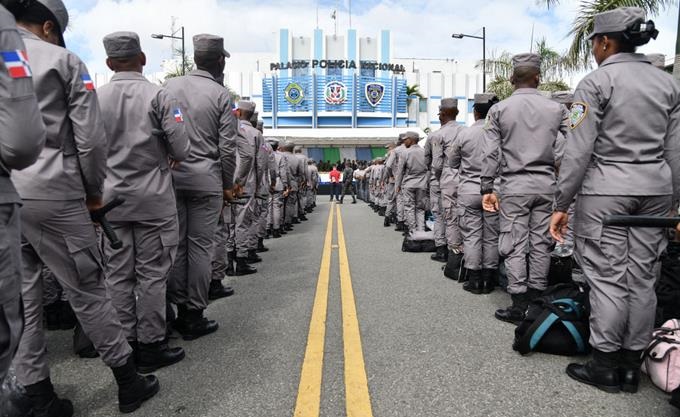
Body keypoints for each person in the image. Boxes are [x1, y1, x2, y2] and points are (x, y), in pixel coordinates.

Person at [12, 1, 159, 414]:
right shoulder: (62, 60)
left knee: (22, 299)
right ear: (47, 26)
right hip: (52, 192)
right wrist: (93, 193)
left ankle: (37, 394)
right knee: (88, 290)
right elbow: (90, 141)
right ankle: (128, 382)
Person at [550, 7, 680, 394]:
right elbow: (676, 151)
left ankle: (604, 364)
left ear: (605, 41)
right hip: (657, 190)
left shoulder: (592, 83)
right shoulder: (669, 85)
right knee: (643, 278)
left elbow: (577, 149)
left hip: (606, 192)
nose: (592, 49)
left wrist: (561, 202)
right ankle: (631, 364)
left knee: (607, 278)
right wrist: (674, 203)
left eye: (593, 42)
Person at [97, 31, 191, 373]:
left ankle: (127, 346)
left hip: (110, 201)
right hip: (153, 198)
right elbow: (182, 148)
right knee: (152, 274)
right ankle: (152, 344)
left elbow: (85, 148)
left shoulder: (95, 98)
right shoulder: (161, 96)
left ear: (109, 63)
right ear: (143, 58)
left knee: (118, 274)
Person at [481, 52, 569, 324]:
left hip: (514, 186)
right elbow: (570, 149)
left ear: (511, 79)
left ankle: (519, 306)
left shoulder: (498, 110)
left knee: (515, 244)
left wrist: (487, 186)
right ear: (538, 78)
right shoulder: (558, 109)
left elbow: (490, 152)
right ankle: (538, 301)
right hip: (547, 186)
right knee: (542, 243)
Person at [164, 34, 238, 341]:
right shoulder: (221, 95)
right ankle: (192, 314)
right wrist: (227, 185)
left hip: (170, 178)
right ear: (220, 61)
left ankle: (173, 307)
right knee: (200, 248)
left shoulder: (168, 88)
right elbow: (228, 148)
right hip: (206, 179)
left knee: (175, 246)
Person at [0, 0, 46, 389]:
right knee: (85, 284)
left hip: (25, 196)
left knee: (29, 294)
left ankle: (34, 383)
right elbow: (21, 142)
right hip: (53, 192)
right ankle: (127, 371)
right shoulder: (8, 36)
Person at [448, 93, 500, 293]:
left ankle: (475, 279)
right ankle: (489, 279)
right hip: (494, 190)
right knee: (491, 236)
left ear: (475, 112)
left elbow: (452, 163)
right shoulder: (500, 133)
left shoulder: (464, 134)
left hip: (469, 190)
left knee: (472, 235)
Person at [233, 100, 261, 273]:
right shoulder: (256, 134)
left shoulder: (225, 126)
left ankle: (226, 263)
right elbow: (261, 163)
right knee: (243, 222)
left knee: (226, 225)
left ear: (239, 112)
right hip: (245, 184)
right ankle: (242, 260)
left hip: (223, 183)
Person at [396, 132, 428, 235]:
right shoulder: (424, 152)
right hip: (422, 184)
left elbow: (400, 171)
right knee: (420, 209)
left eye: (406, 139)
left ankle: (412, 231)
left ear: (411, 140)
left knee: (409, 207)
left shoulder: (405, 153)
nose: (404, 141)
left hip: (409, 184)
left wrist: (398, 185)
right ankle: (421, 231)